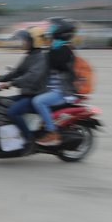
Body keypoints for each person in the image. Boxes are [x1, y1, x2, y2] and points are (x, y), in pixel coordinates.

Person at [0, 26, 49, 151]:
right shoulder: (29, 56)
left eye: (26, 40)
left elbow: (30, 77)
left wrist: (10, 84)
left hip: (35, 96)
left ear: (34, 41)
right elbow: (17, 71)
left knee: (12, 112)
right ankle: (9, 136)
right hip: (27, 94)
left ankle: (29, 139)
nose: (23, 42)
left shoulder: (41, 58)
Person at [32, 17, 77, 146]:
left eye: (52, 29)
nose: (49, 31)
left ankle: (52, 132)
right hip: (52, 89)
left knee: (38, 101)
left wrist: (49, 49)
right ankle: (38, 130)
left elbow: (57, 64)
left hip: (62, 92)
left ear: (59, 32)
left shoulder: (65, 50)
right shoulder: (56, 49)